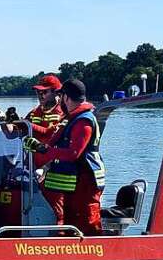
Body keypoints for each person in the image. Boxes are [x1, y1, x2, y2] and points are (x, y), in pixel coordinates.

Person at [25, 78, 106, 236]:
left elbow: (73, 153)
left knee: (87, 218)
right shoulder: (71, 118)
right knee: (70, 218)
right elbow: (52, 137)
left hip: (87, 178)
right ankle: (67, 248)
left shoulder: (84, 120)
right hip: (74, 180)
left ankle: (94, 250)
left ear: (66, 97)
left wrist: (42, 149)